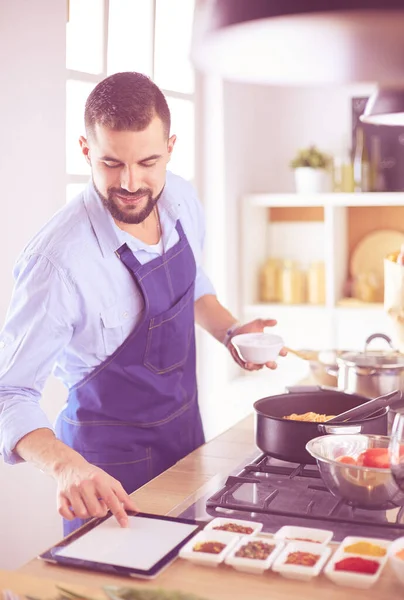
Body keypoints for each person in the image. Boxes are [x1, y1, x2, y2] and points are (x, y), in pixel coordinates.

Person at [0, 72, 285, 535]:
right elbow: (9, 393)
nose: (131, 183)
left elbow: (191, 285)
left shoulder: (182, 202)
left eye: (148, 162)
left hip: (188, 448)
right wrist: (66, 468)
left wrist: (231, 331)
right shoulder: (57, 262)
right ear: (85, 149)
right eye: (111, 163)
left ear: (171, 147)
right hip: (106, 480)